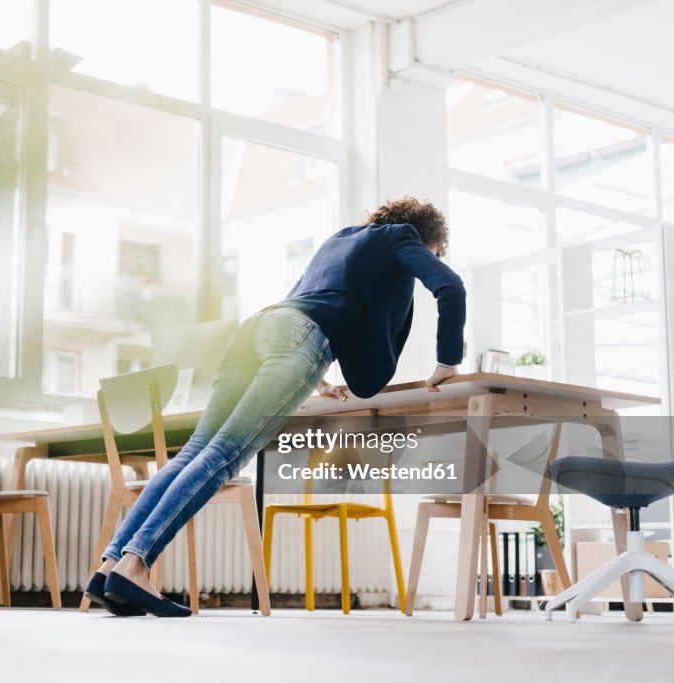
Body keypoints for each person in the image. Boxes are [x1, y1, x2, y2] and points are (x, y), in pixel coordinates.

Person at [84, 196, 466, 617]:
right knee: (224, 455)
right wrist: (448, 361)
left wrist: (316, 377)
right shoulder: (401, 238)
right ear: (426, 237)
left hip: (259, 329)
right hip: (299, 338)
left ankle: (109, 566)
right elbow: (450, 287)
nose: (425, 260)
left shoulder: (340, 241)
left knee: (193, 452)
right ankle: (136, 564)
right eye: (431, 253)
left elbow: (301, 300)